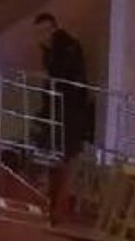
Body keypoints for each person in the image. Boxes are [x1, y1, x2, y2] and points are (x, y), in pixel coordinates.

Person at [32, 13, 93, 159]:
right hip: (61, 106)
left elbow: (63, 72)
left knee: (63, 145)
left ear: (54, 29)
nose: (43, 36)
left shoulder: (64, 45)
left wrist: (47, 76)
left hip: (68, 105)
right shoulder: (51, 51)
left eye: (46, 30)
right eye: (40, 32)